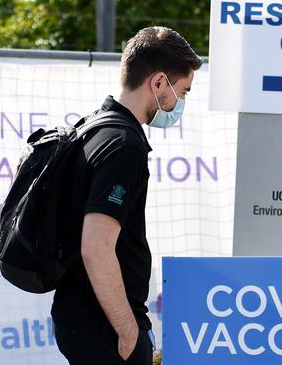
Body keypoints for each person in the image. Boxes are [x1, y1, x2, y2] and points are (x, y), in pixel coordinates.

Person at [51, 26, 203, 364]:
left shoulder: (93, 126)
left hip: (80, 316)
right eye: (184, 91)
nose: (182, 103)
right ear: (159, 83)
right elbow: (96, 247)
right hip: (103, 326)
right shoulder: (123, 145)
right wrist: (127, 329)